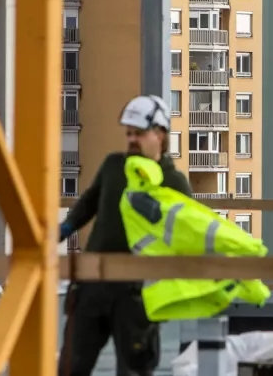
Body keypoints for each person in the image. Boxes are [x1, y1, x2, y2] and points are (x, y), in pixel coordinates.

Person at [57, 95, 192, 376]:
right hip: (93, 284)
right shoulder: (114, 167)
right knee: (71, 366)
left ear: (160, 135)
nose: (131, 140)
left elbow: (188, 234)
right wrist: (64, 229)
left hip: (136, 294)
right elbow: (89, 202)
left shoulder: (173, 182)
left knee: (133, 370)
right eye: (129, 134)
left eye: (138, 134)